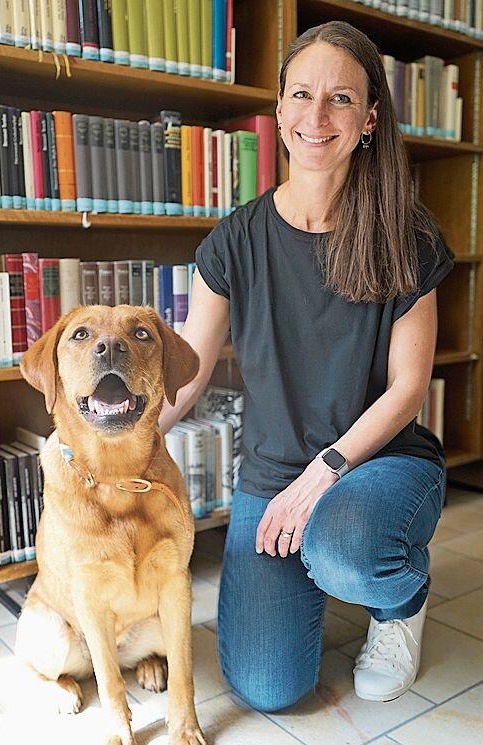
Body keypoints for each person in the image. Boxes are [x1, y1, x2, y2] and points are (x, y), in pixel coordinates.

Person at [158, 20, 455, 711]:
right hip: (271, 475)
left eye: (342, 99)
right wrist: (108, 438)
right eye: (301, 95)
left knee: (344, 548)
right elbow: (190, 370)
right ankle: (322, 571)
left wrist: (326, 472)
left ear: (371, 118)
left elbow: (409, 388)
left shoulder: (407, 235)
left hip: (379, 462)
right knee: (268, 687)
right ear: (279, 111)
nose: (317, 117)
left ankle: (399, 597)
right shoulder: (233, 241)